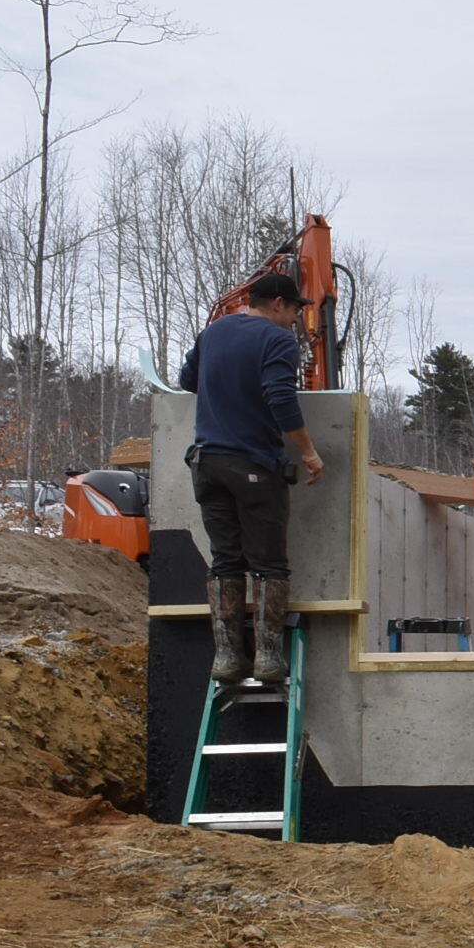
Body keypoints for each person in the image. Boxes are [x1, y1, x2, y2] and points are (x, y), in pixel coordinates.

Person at [179, 274, 325, 686]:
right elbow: (280, 398)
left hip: (207, 464)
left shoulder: (214, 331)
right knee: (268, 566)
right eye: (296, 310)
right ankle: (267, 659)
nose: (297, 319)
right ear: (277, 303)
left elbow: (187, 382)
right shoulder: (277, 341)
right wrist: (309, 452)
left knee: (225, 562)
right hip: (254, 467)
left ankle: (226, 659)